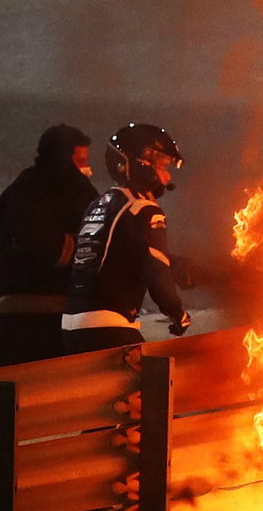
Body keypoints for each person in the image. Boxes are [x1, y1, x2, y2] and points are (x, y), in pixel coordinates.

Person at [62, 123, 192, 354]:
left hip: (71, 325)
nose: (167, 175)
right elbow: (157, 270)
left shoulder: (99, 204)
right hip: (110, 324)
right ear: (143, 164)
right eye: (162, 166)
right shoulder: (144, 209)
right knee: (159, 381)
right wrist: (177, 312)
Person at [0, 124, 99, 368]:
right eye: (80, 161)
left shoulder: (24, 190)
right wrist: (88, 248)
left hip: (47, 318)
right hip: (21, 323)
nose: (85, 170)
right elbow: (46, 247)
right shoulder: (27, 195)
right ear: (61, 160)